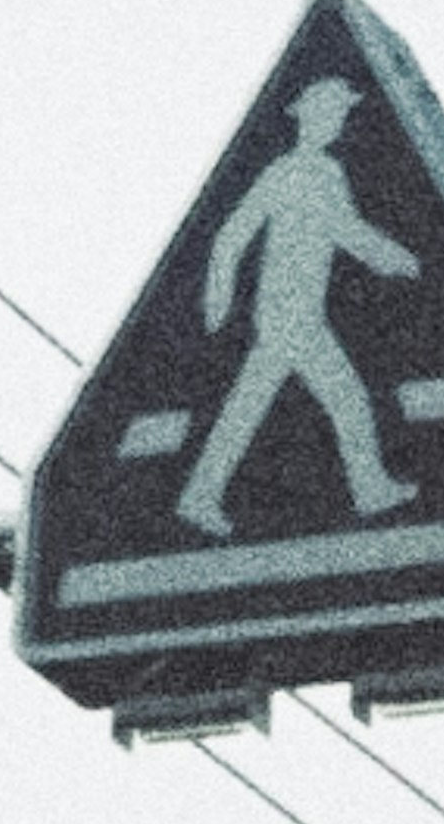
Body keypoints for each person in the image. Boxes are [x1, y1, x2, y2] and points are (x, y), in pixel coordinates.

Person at [175, 80, 421, 535]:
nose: (340, 122)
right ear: (315, 118)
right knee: (342, 397)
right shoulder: (304, 173)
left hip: (291, 312)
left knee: (251, 404)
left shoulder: (307, 171)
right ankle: (368, 489)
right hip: (291, 315)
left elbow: (333, 230)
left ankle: (200, 495)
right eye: (333, 114)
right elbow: (237, 234)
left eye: (342, 115)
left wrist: (390, 257)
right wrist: (217, 295)